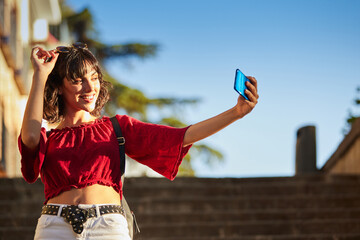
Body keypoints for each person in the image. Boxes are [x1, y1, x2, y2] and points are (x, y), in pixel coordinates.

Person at [19, 43, 259, 240]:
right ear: (60, 87)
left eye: (94, 77)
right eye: (78, 80)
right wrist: (40, 74)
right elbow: (29, 138)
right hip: (55, 226)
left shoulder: (117, 127)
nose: (90, 87)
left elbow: (181, 136)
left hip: (107, 226)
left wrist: (235, 113)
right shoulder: (47, 137)